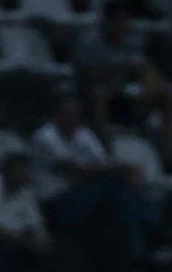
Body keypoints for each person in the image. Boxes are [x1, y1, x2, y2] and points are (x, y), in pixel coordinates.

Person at [31, 92, 150, 263]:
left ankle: (135, 255)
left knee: (124, 192)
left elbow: (104, 162)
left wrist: (124, 171)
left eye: (77, 115)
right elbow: (77, 171)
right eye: (69, 114)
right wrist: (121, 169)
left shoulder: (83, 134)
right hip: (55, 201)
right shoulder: (44, 137)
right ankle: (138, 253)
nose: (74, 119)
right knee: (117, 187)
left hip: (86, 194)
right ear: (57, 115)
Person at [73, 0, 172, 149]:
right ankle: (104, 146)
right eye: (118, 21)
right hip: (94, 90)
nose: (122, 26)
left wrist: (151, 80)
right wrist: (118, 67)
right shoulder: (90, 41)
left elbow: (143, 68)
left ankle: (167, 148)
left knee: (166, 94)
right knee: (100, 94)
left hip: (125, 89)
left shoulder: (133, 40)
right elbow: (87, 74)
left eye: (125, 21)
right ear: (108, 21)